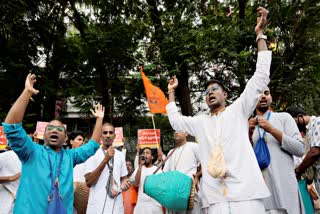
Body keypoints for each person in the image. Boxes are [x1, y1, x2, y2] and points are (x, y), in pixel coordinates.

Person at [166, 7, 271, 213]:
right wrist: (171, 92)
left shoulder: (238, 110)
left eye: (215, 89)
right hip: (215, 200)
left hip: (246, 195)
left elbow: (261, 76)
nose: (210, 93)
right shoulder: (201, 123)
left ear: (225, 96)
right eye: (206, 92)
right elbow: (176, 122)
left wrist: (260, 34)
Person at [2, 73, 105, 213]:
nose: (54, 130)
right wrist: (27, 92)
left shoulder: (70, 157)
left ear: (65, 139)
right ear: (43, 136)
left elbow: (92, 145)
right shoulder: (31, 151)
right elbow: (11, 128)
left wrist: (99, 119)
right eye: (49, 128)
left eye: (59, 129)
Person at [249, 87, 305, 214]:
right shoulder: (248, 125)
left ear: (271, 98)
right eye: (259, 93)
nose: (263, 96)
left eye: (266, 93)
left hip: (286, 191)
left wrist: (272, 130)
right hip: (263, 196)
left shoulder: (284, 118)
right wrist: (248, 134)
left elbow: (300, 149)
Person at [85, 123, 130, 214]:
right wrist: (105, 159)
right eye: (105, 133)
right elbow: (89, 182)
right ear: (100, 136)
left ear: (114, 136)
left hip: (116, 205)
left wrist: (125, 184)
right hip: (97, 206)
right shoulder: (92, 154)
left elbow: (123, 178)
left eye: (110, 133)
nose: (108, 135)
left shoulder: (120, 155)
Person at [163, 131, 201, 214]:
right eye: (174, 131)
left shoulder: (193, 146)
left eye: (179, 130)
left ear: (186, 133)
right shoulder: (171, 152)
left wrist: (197, 176)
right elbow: (165, 173)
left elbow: (205, 163)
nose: (176, 132)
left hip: (190, 192)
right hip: (174, 195)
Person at [286, 107, 320, 194]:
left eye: (293, 124)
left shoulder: (318, 122)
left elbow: (314, 153)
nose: (293, 128)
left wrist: (298, 170)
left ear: (300, 116)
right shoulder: (308, 132)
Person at [131, 147, 163, 214]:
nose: (145, 155)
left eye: (147, 153)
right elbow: (136, 184)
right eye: (143, 153)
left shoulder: (158, 171)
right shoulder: (138, 169)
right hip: (141, 206)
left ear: (152, 157)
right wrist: (140, 166)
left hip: (155, 207)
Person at [0, 148, 21, 213]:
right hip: (4, 195)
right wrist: (11, 178)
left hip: (22, 200)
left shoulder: (36, 159)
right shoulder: (6, 156)